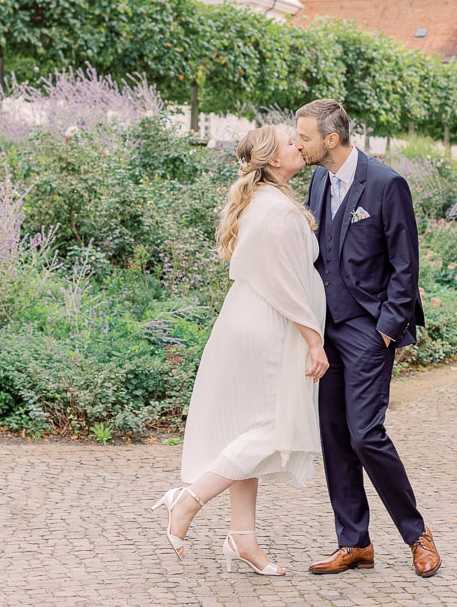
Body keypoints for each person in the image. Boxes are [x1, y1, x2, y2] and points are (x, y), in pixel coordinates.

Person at [153, 125, 329, 576]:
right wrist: (314, 340)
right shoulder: (277, 210)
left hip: (252, 320)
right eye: (289, 141)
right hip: (268, 327)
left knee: (248, 428)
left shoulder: (266, 200)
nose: (298, 144)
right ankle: (188, 500)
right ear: (273, 160)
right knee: (273, 427)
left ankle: (242, 538)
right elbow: (286, 283)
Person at [294, 99, 442, 578]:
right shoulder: (319, 181)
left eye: (305, 137)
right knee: (335, 436)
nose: (298, 144)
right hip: (327, 328)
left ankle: (417, 534)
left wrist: (386, 330)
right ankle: (354, 543)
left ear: (331, 139)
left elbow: (405, 263)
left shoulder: (385, 183)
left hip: (368, 329)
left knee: (365, 434)